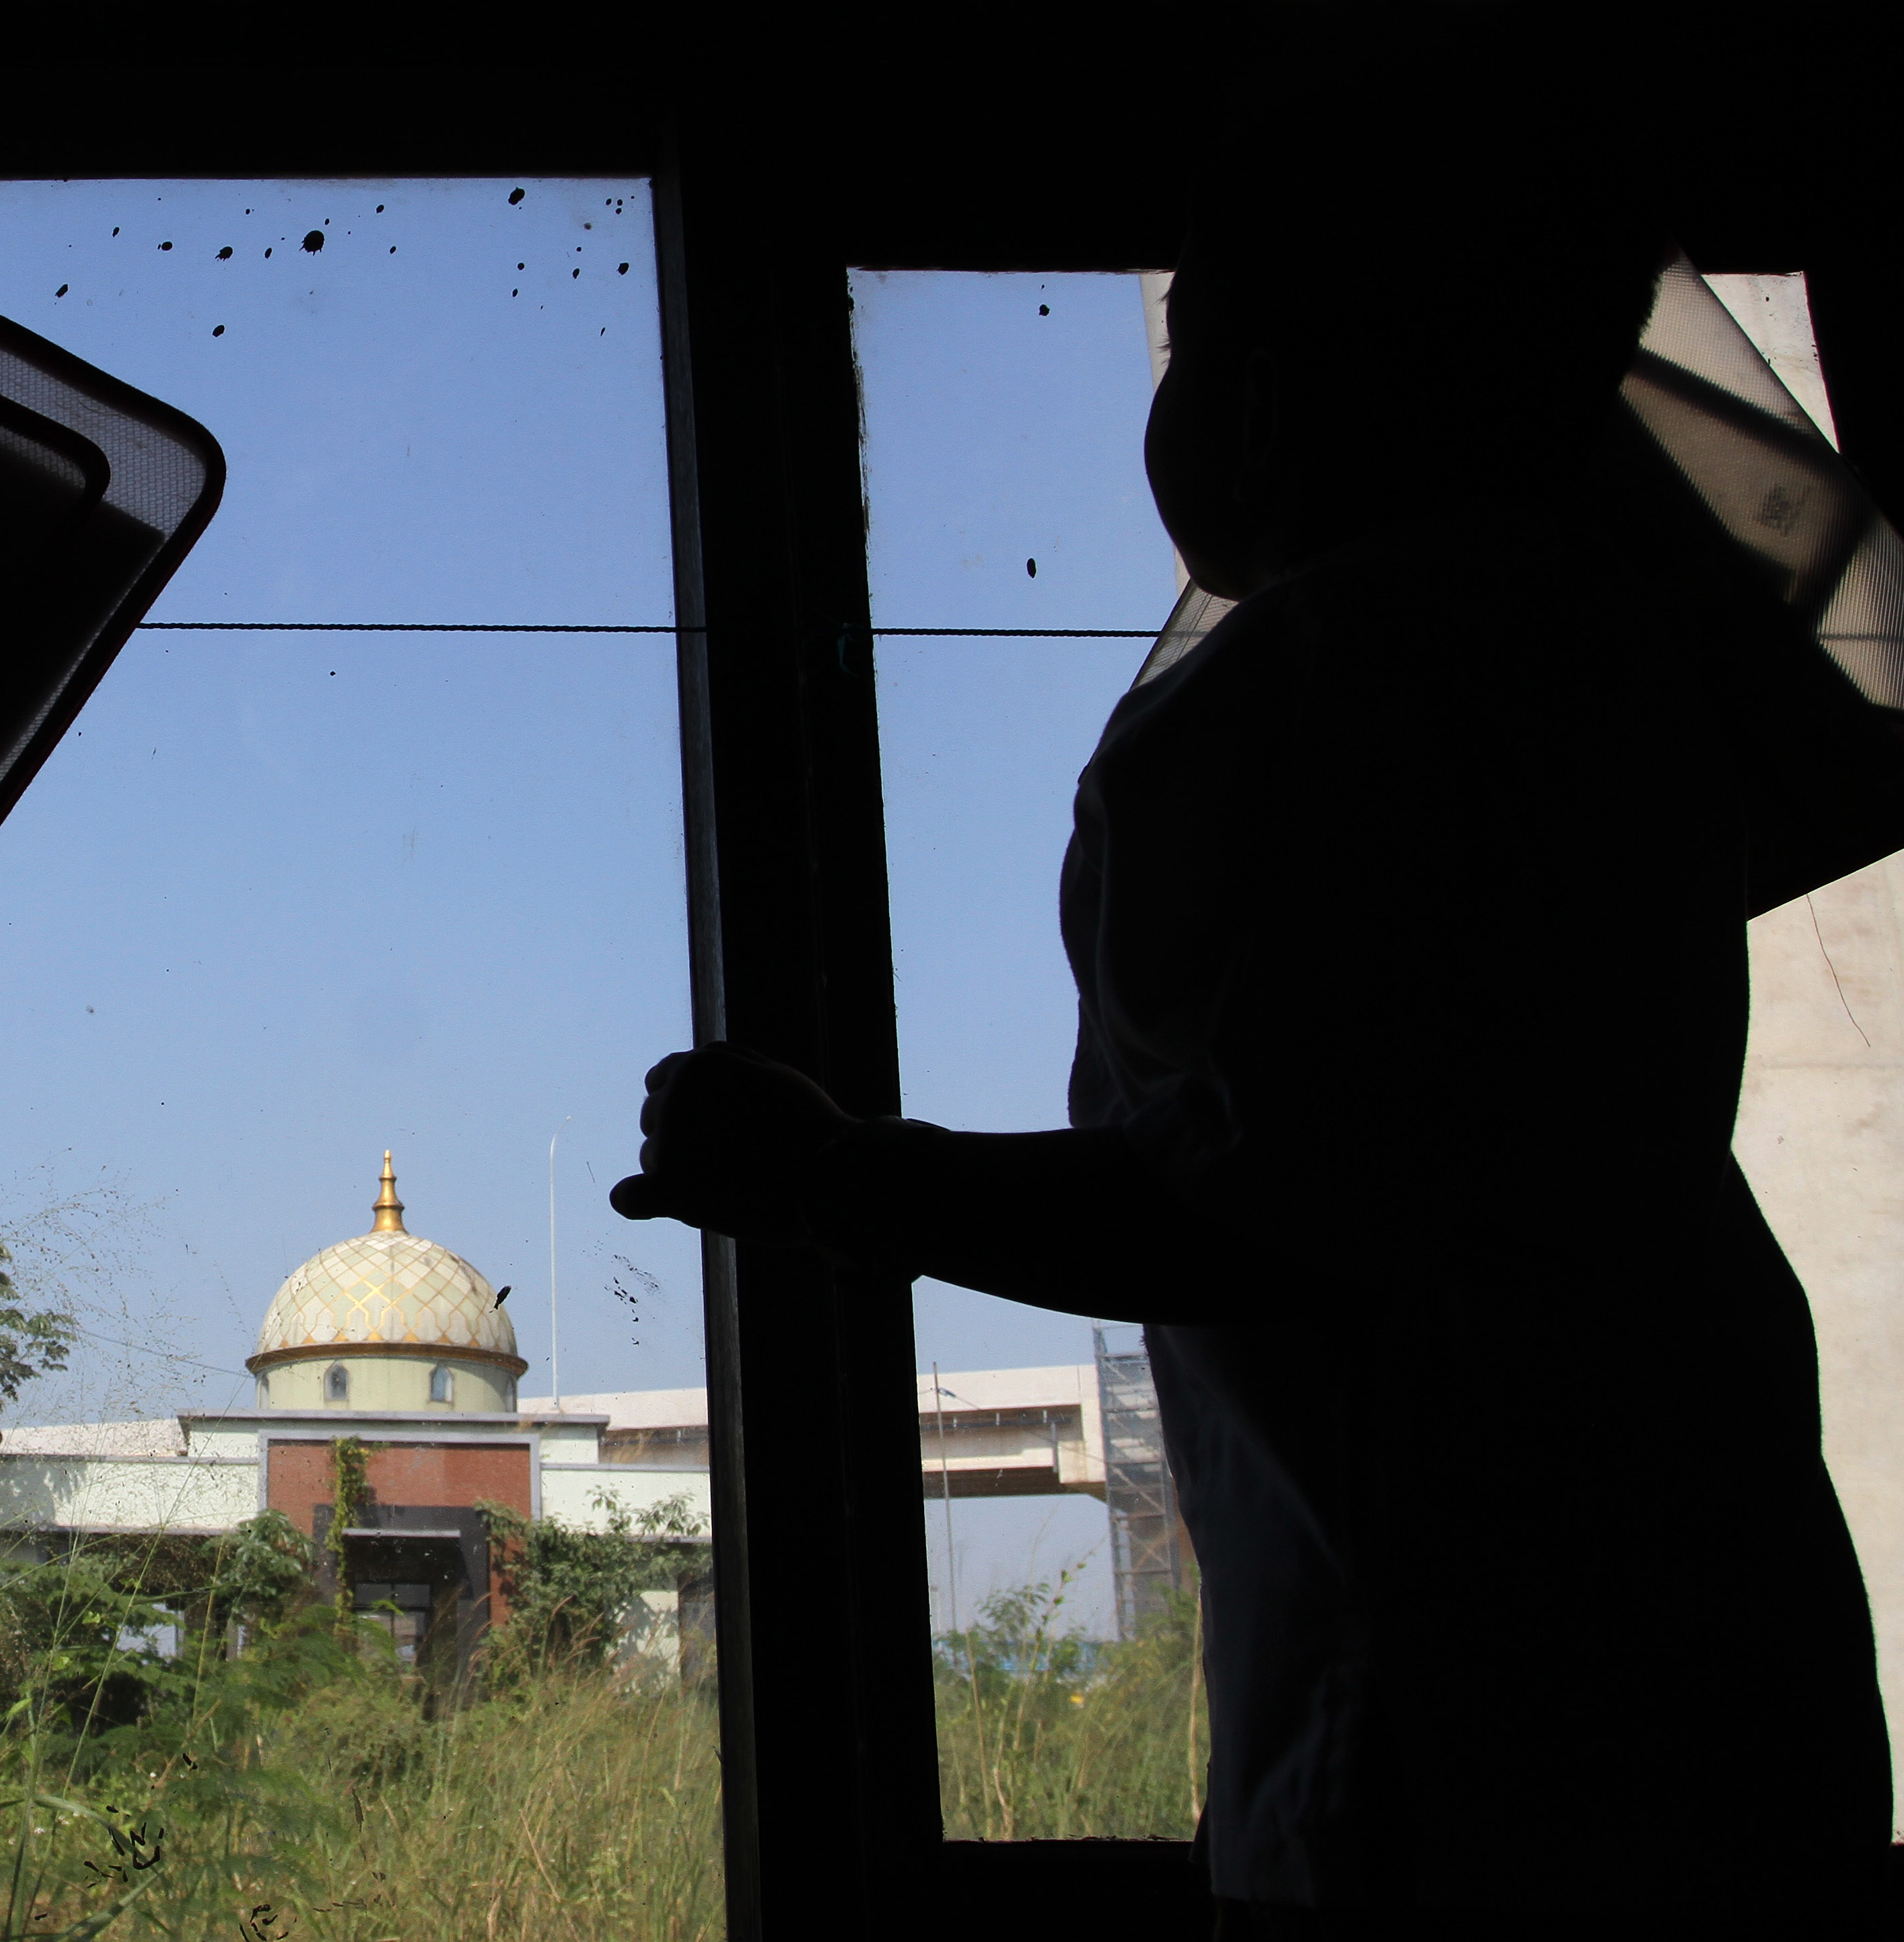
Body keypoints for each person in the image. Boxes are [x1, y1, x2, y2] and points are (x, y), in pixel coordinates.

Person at [612, 120, 1903, 1936]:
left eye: (1209, 340)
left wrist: (836, 1177)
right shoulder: (1611, 665)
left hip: (1455, 1710)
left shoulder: (1303, 689)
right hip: (1721, 1635)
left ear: (1284, 392)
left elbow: (1274, 1205)